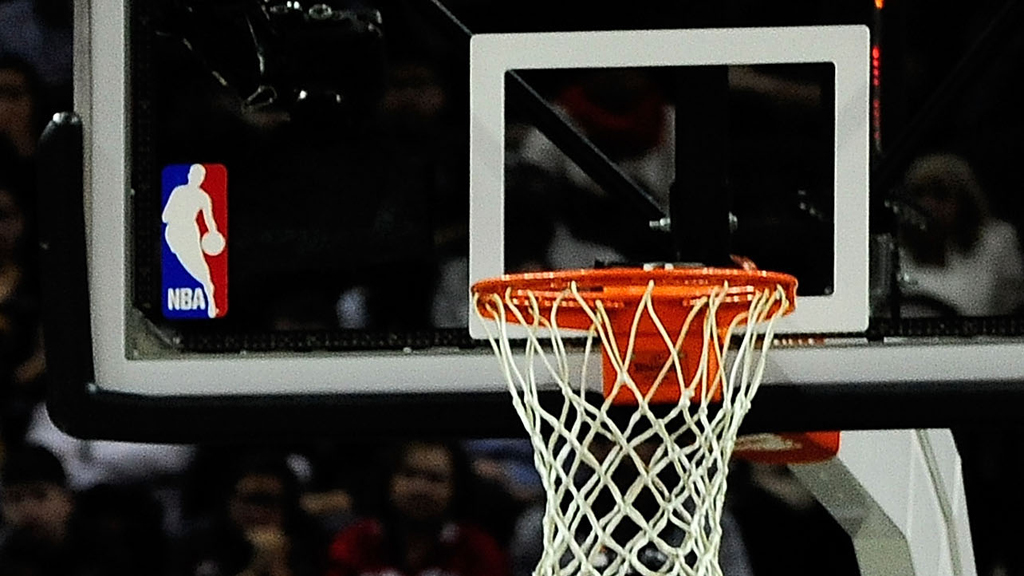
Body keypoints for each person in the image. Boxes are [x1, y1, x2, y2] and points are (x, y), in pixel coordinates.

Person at [325, 440, 509, 576]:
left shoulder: (479, 550)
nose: (420, 489)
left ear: (456, 488)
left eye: (435, 479)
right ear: (389, 480)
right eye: (409, 474)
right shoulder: (353, 544)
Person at [898, 153, 1024, 316]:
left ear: (964, 201)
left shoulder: (995, 243)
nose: (927, 205)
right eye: (919, 194)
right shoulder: (891, 255)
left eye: (940, 194)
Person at [177, 451, 327, 576]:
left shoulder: (309, 544)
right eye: (249, 500)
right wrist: (256, 568)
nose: (257, 513)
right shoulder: (198, 544)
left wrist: (277, 564)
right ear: (229, 500)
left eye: (267, 502)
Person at [163, 163, 223, 318]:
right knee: (196, 269)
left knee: (202, 271)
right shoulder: (179, 192)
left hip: (188, 233)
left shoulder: (203, 197)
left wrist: (214, 234)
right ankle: (209, 295)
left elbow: (210, 220)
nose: (197, 179)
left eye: (200, 176)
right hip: (178, 233)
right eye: (195, 175)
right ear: (189, 175)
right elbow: (165, 217)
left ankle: (211, 302)